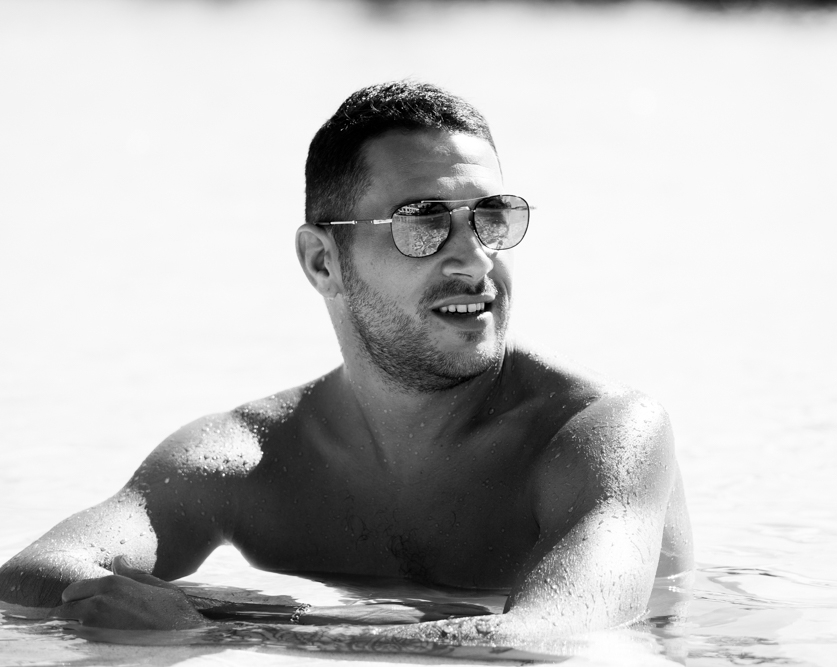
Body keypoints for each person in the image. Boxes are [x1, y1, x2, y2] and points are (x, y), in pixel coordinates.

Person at [0, 81, 692, 645]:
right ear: (322, 261)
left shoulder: (602, 431)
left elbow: (549, 639)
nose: (476, 259)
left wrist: (224, 630)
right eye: (424, 223)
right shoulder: (246, 458)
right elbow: (27, 576)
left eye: (492, 218)